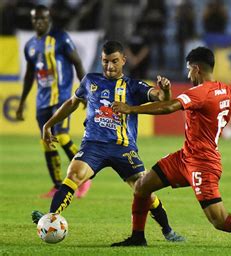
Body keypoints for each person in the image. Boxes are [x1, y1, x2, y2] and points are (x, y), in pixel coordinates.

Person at [110, 46, 231, 248]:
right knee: (142, 187)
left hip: (203, 164)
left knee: (219, 220)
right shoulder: (227, 90)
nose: (188, 75)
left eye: (188, 70)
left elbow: (169, 107)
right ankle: (138, 237)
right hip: (185, 157)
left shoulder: (199, 92)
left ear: (196, 69)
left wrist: (130, 109)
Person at [31, 41, 184, 243]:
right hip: (93, 145)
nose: (109, 66)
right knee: (73, 174)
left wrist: (166, 90)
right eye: (105, 61)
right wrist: (48, 124)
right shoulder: (90, 80)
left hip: (123, 148)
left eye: (114, 61)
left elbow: (162, 100)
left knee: (143, 188)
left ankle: (167, 230)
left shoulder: (133, 86)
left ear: (123, 60)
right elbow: (72, 103)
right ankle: (50, 219)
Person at [16, 5, 91, 198]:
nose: (39, 22)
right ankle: (58, 185)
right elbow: (29, 75)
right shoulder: (30, 45)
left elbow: (78, 63)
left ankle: (84, 177)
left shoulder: (61, 38)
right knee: (46, 141)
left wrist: (84, 93)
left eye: (43, 18)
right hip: (42, 101)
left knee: (63, 136)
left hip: (62, 97)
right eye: (36, 19)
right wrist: (22, 101)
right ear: (32, 21)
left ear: (49, 19)